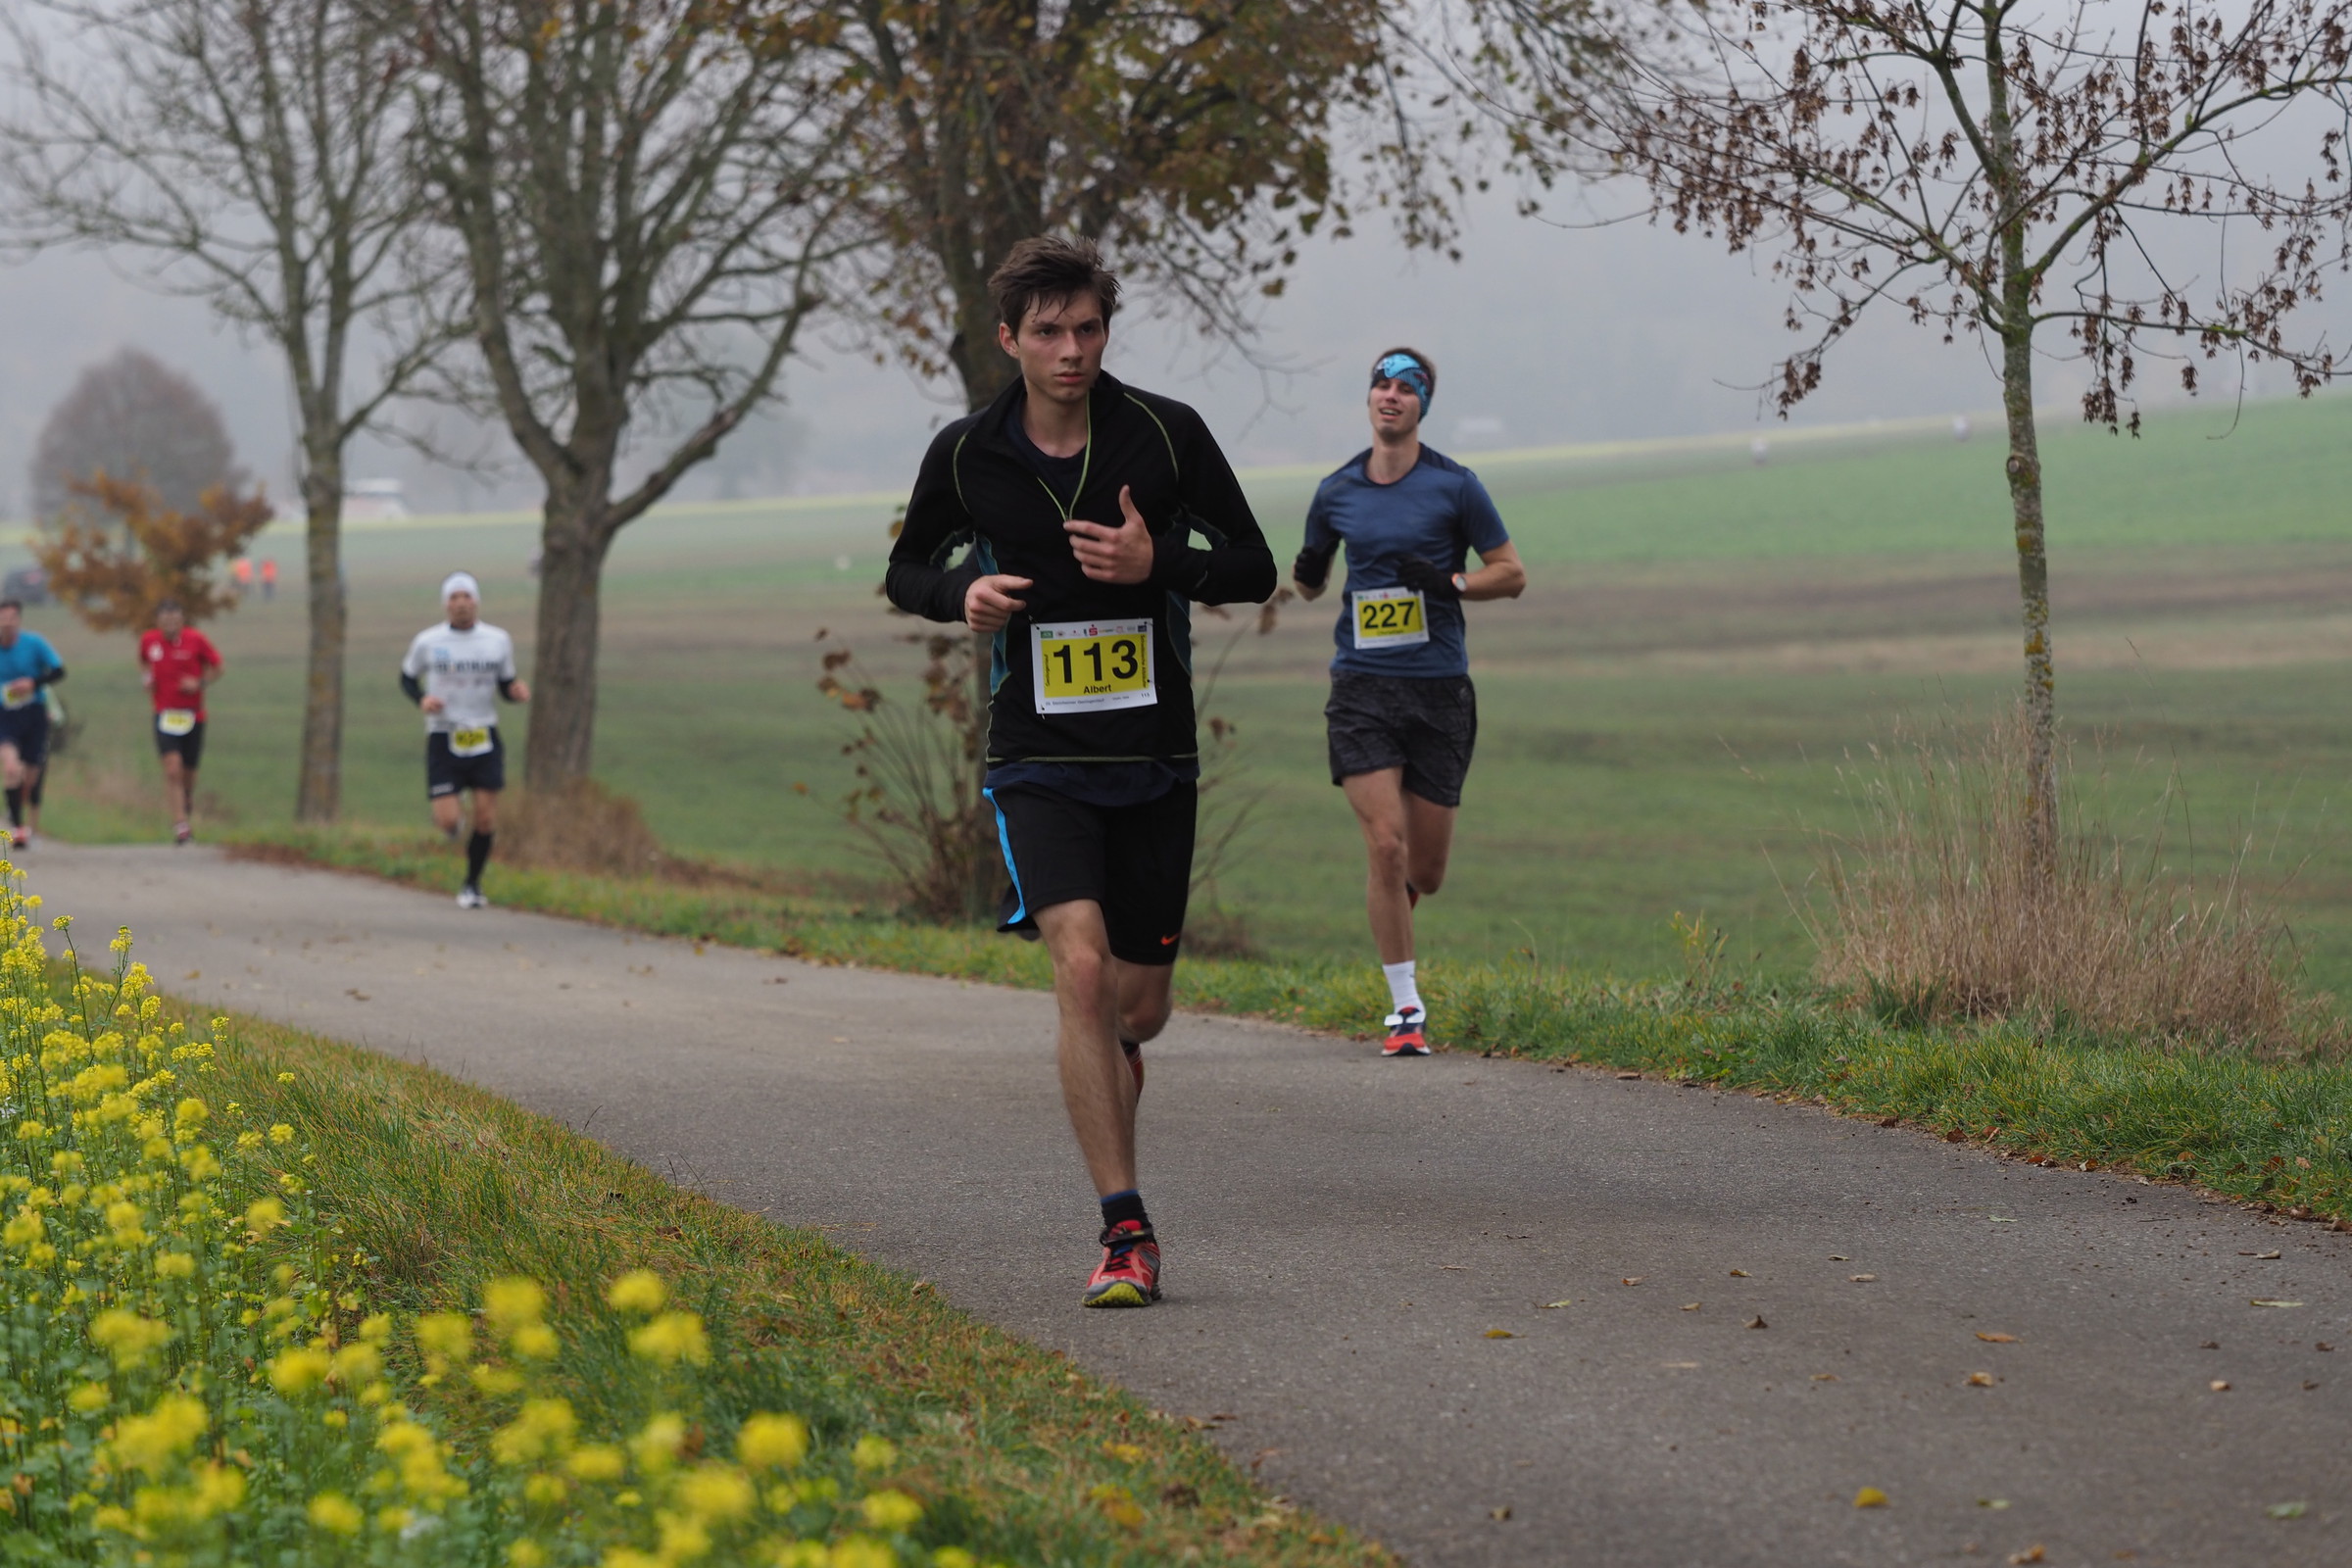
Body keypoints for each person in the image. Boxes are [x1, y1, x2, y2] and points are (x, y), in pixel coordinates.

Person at [886, 236, 1274, 1308]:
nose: (1071, 350)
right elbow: (908, 569)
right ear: (1008, 339)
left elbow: (1252, 565)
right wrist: (958, 595)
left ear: (1107, 330)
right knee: (1083, 972)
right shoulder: (968, 454)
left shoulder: (1164, 433)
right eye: (1049, 332)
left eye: (1088, 328)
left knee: (1137, 1009)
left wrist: (1161, 564)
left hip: (1154, 756)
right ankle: (1125, 1230)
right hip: (1036, 756)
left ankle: (1115, 1066)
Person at [1293, 349, 1527, 1056]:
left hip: (1438, 689)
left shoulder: (1456, 486)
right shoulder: (1336, 491)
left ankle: (1396, 899)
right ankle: (1405, 1010)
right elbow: (1310, 581)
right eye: (1381, 386)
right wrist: (1308, 572)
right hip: (1361, 686)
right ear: (1369, 399)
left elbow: (1511, 574)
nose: (1390, 396)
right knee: (1385, 845)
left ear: (1423, 405)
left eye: (1405, 388)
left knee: (1424, 870)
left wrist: (1451, 583)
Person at [400, 572, 528, 908]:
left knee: (485, 818)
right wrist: (422, 699)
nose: (461, 604)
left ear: (476, 602)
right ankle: (451, 824)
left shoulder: (497, 640)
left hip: (483, 734)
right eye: (454, 598)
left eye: (466, 597)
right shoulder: (428, 641)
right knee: (448, 821)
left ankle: (472, 884)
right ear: (446, 604)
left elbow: (506, 683)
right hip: (444, 734)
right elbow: (407, 677)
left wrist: (515, 692)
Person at [138, 600, 223, 846]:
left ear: (182, 620)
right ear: (158, 621)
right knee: (172, 769)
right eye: (165, 620)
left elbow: (218, 667)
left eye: (175, 620)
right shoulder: (149, 641)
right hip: (165, 714)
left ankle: (185, 799)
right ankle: (181, 825)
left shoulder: (196, 640)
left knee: (188, 773)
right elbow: (143, 661)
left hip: (193, 715)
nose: (170, 625)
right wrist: (147, 679)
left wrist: (199, 683)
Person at [0, 600, 65, 850]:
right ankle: (18, 828)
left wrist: (33, 683)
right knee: (11, 768)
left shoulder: (34, 643)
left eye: (11, 618)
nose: (7, 623)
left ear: (19, 620)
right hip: (5, 714)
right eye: (2, 618)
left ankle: (16, 804)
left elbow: (59, 671)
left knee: (30, 776)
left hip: (34, 713)